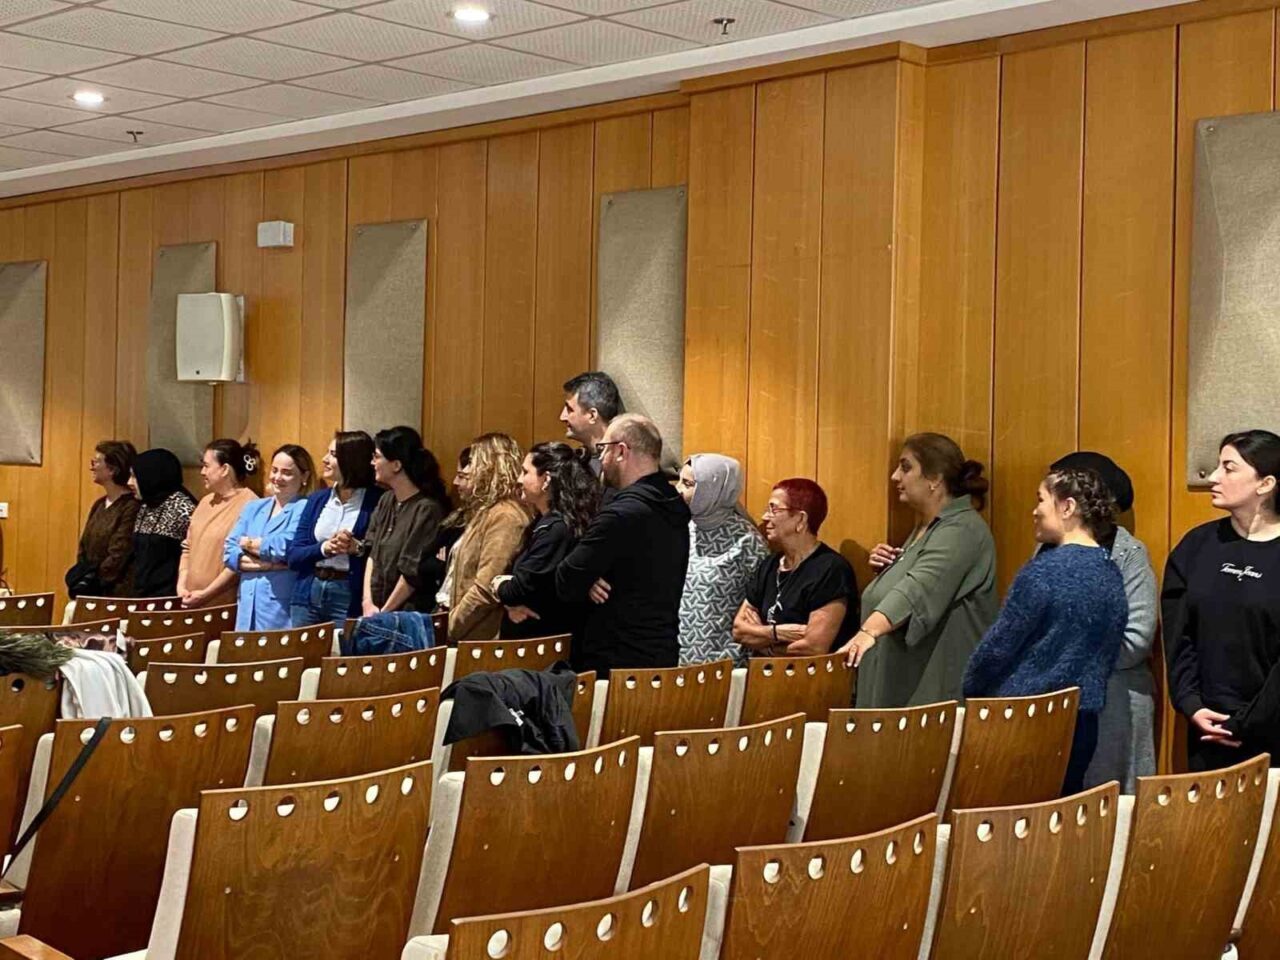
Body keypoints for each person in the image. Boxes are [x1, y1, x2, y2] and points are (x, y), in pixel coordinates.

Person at [963, 468, 1127, 795]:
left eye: (1041, 500)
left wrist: (973, 687)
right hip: (1083, 721)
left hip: (1023, 720)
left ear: (1067, 507)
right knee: (1060, 814)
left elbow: (999, 646)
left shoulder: (1043, 573)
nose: (1034, 510)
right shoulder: (1111, 573)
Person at [841, 433, 997, 707]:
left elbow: (918, 589)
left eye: (906, 467)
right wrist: (886, 574)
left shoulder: (962, 530)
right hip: (898, 688)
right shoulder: (925, 529)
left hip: (933, 699)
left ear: (934, 478)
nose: (895, 476)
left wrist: (867, 632)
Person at [1164, 430, 1280, 772]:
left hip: (1271, 729)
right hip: (1207, 726)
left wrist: (1247, 722)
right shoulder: (1196, 546)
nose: (1214, 477)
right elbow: (1178, 635)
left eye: (1229, 468)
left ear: (1265, 484)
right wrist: (1191, 703)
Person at [1050, 451, 1157, 792]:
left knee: (1107, 807)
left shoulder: (1127, 554)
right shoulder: (1048, 549)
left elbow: (1136, 640)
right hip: (1057, 705)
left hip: (1114, 705)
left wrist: (1065, 654)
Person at [555, 414, 690, 676]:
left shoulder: (620, 514)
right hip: (661, 657)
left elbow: (566, 580)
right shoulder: (673, 505)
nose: (601, 460)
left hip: (614, 664)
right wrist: (589, 575)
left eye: (603, 450)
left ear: (620, 451)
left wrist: (587, 576)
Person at [733, 478, 858, 659]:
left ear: (801, 519)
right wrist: (777, 633)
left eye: (774, 509)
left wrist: (763, 643)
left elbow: (813, 647)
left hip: (809, 675)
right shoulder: (770, 564)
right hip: (764, 672)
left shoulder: (831, 569)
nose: (765, 517)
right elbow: (739, 631)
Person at [492, 442, 600, 642]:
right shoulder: (542, 523)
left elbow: (520, 588)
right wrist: (509, 599)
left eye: (525, 472)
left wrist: (499, 586)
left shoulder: (556, 530)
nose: (519, 479)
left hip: (543, 643)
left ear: (546, 480)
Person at [677, 454, 768, 666]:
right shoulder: (680, 529)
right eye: (679, 481)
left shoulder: (747, 541)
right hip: (676, 660)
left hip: (725, 664)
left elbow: (759, 607)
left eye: (688, 484)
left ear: (713, 489)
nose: (678, 489)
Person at [288, 432, 384, 627]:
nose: (324, 459)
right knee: (301, 646)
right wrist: (325, 548)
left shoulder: (378, 500)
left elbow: (382, 555)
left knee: (343, 646)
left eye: (333, 454)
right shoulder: (317, 499)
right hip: (309, 591)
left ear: (352, 460)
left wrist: (357, 548)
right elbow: (294, 555)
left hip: (348, 593)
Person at [447, 433, 530, 642]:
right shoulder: (486, 512)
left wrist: (451, 626)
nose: (467, 471)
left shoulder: (506, 516)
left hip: (484, 637)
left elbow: (486, 587)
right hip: (471, 632)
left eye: (473, 463)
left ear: (489, 467)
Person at [225, 445, 314, 631]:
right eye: (274, 470)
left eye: (286, 473)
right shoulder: (253, 507)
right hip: (246, 608)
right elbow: (229, 551)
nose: (277, 477)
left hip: (279, 610)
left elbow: (284, 548)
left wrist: (248, 543)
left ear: (304, 476)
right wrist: (268, 565)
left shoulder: (306, 508)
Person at [361, 426, 448, 616]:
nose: (372, 462)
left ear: (396, 465)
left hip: (406, 612)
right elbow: (372, 553)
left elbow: (412, 571)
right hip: (374, 607)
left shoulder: (426, 509)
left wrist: (384, 612)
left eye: (377, 457)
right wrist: (367, 602)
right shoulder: (386, 500)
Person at [178, 439, 259, 609]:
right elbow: (187, 547)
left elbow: (240, 561)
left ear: (225, 469)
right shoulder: (205, 502)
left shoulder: (251, 505)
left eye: (206, 466)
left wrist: (206, 594)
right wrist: (181, 586)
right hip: (190, 601)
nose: (202, 472)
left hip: (223, 605)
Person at [67, 441, 139, 598]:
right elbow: (84, 546)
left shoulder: (131, 506)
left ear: (113, 469)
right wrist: (83, 575)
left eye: (97, 462)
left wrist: (95, 580)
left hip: (116, 591)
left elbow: (119, 553)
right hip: (92, 588)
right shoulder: (99, 504)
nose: (92, 467)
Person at [127, 448, 196, 597]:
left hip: (171, 597)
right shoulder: (146, 505)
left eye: (134, 476)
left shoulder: (182, 507)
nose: (129, 483)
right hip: (143, 595)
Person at [417, 445, 472, 613]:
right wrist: (443, 564)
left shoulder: (498, 519)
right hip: (438, 605)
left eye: (462, 476)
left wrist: (444, 562)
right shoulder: (455, 520)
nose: (455, 482)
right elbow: (423, 564)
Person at [560, 371, 622, 473]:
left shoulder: (622, 464)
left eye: (569, 409)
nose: (562, 417)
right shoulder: (576, 461)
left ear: (592, 415)